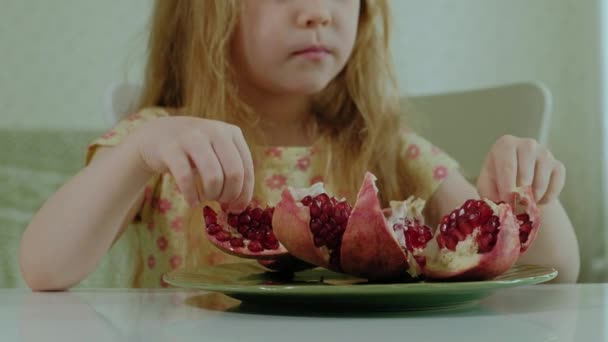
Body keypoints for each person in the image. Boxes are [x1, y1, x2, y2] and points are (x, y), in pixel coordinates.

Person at [19, 0, 580, 291]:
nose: (317, 12)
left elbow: (556, 270)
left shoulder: (388, 148)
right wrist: (137, 151)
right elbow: (43, 268)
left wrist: (526, 196)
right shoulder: (162, 142)